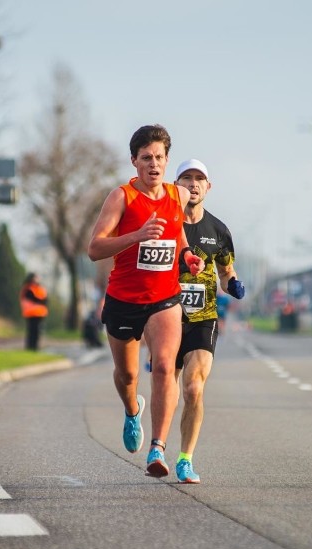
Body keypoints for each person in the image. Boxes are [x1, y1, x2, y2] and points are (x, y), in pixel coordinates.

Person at [87, 124, 204, 478]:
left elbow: (177, 233)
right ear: (134, 161)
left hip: (164, 299)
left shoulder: (178, 196)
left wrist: (187, 257)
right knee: (127, 375)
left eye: (159, 157)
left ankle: (158, 448)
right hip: (123, 298)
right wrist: (136, 235)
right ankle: (131, 411)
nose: (154, 164)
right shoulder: (121, 197)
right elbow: (94, 248)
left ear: (167, 161)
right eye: (146, 158)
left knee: (166, 366)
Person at [172, 159, 245, 483]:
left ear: (208, 187)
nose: (193, 184)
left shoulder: (218, 230)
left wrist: (235, 285)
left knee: (193, 388)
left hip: (203, 317)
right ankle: (155, 442)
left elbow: (227, 273)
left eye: (199, 178)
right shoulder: (165, 222)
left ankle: (186, 458)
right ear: (176, 185)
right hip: (165, 314)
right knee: (166, 388)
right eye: (186, 178)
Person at [20, 273, 49, 351]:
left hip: (40, 314)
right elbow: (34, 299)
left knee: (36, 332)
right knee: (32, 331)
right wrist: (40, 301)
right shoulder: (28, 289)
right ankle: (30, 347)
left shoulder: (40, 289)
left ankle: (34, 347)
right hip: (31, 313)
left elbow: (45, 299)